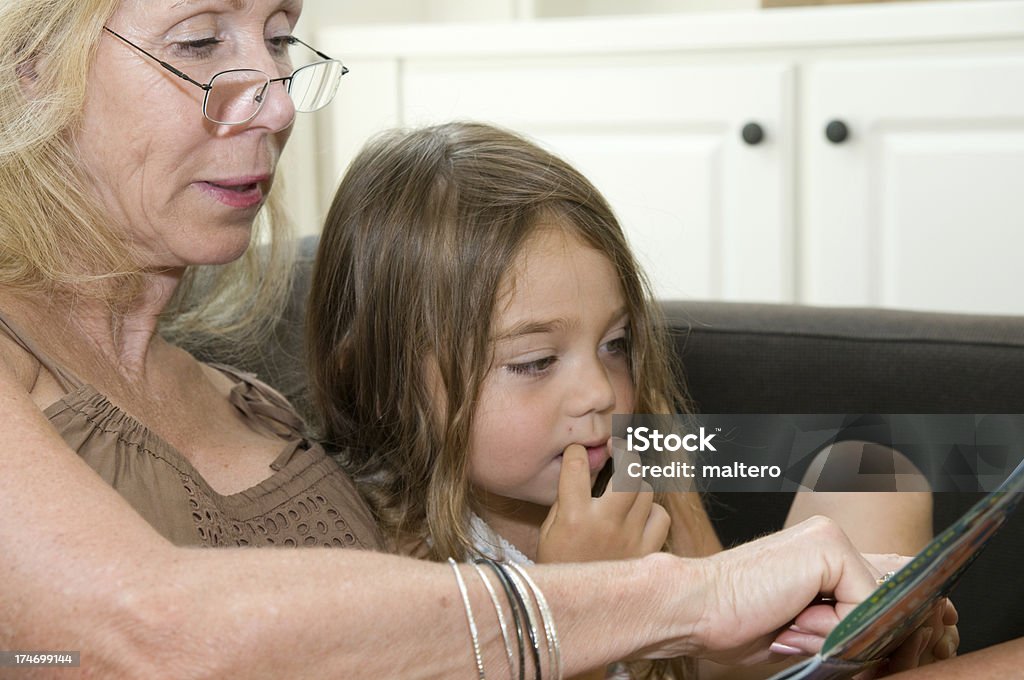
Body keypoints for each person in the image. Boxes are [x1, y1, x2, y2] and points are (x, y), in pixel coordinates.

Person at [0, 1, 957, 678]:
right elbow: (146, 639)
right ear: (28, 62)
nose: (279, 99)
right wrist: (654, 604)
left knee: (875, 472)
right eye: (203, 38)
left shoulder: (254, 405)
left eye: (284, 38)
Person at [305, 121, 956, 678]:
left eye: (615, 343)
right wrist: (578, 602)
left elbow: (707, 658)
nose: (599, 392)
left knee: (872, 476)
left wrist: (838, 646)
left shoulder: (639, 459)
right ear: (381, 379)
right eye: (534, 362)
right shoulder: (387, 550)